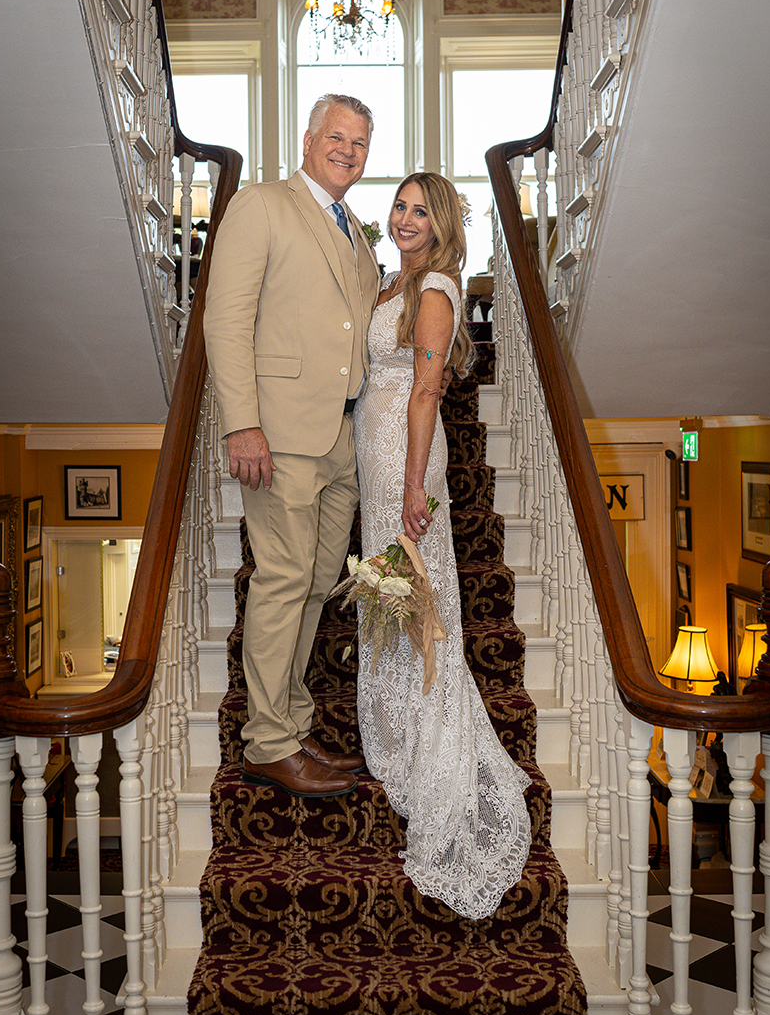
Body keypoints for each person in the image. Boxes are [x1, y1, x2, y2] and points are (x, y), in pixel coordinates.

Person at [353, 173, 532, 919]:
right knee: (392, 600)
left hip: (404, 456)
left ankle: (429, 745)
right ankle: (397, 725)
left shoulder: (435, 291)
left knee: (417, 603)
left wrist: (413, 488)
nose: (404, 218)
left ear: (444, 224)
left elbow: (426, 392)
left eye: (420, 210)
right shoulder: (396, 282)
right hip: (376, 451)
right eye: (399, 205)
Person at [203, 93, 381, 799]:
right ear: (307, 139)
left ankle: (291, 718)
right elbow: (227, 317)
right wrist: (241, 421)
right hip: (277, 432)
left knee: (313, 584)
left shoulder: (354, 229)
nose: (347, 150)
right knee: (282, 579)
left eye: (360, 143)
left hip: (343, 433)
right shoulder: (260, 204)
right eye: (336, 136)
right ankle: (265, 742)